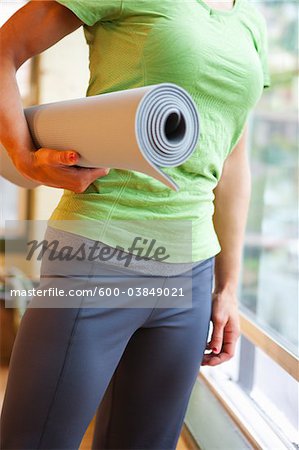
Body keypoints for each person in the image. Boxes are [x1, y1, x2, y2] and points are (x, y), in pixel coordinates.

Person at [0, 0, 270, 449]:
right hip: (99, 252)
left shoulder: (252, 20)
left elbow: (232, 157)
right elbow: (4, 49)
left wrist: (228, 287)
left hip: (191, 273)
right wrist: (24, 157)